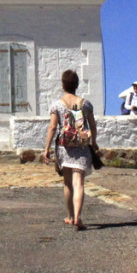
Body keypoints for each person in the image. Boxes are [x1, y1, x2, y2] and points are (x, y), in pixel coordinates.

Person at [42, 69, 98, 231]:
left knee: (67, 184)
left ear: (63, 85)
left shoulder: (57, 105)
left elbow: (53, 127)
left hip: (64, 147)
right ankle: (78, 217)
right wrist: (94, 142)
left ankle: (70, 216)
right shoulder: (86, 104)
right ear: (77, 85)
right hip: (81, 147)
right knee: (79, 183)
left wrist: (46, 149)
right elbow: (92, 125)